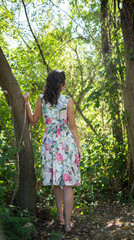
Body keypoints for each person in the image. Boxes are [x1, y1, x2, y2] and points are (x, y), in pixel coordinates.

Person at [23, 70, 81, 232]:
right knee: (67, 184)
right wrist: (78, 148)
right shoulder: (67, 101)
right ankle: (68, 224)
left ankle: (60, 216)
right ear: (59, 83)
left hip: (50, 144)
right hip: (66, 143)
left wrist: (27, 102)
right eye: (64, 81)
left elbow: (33, 120)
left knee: (57, 182)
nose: (66, 84)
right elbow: (73, 126)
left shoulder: (41, 99)